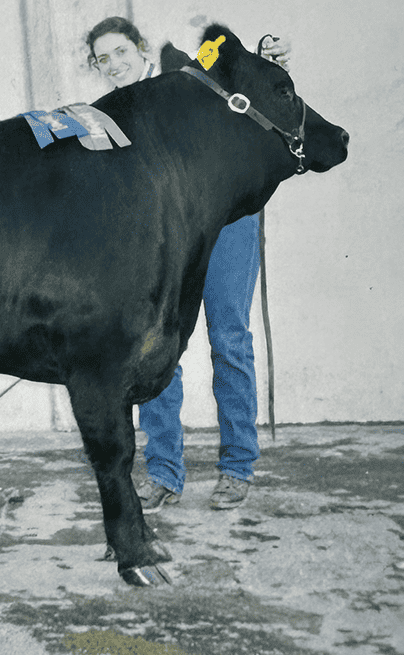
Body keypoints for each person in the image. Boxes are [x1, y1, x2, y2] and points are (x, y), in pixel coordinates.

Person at [85, 17, 290, 512]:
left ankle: (238, 467)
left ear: (140, 48)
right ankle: (163, 473)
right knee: (157, 345)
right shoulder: (108, 113)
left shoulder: (190, 74)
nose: (114, 65)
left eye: (120, 52)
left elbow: (248, 79)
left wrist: (271, 56)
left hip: (227, 222)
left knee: (229, 337)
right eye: (102, 59)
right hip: (161, 236)